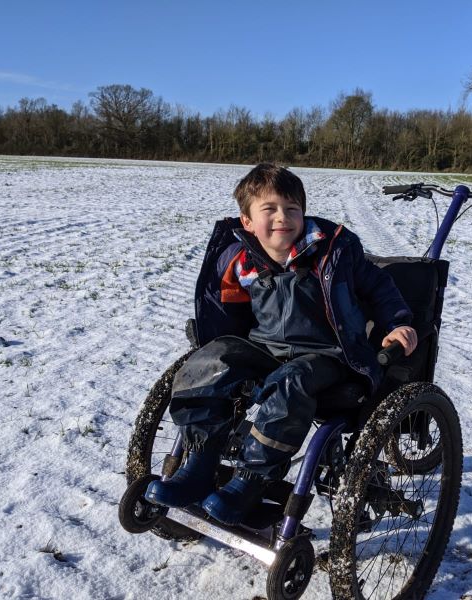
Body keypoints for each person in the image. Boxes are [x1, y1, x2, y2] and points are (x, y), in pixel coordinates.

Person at [145, 163, 417, 526]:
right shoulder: (241, 260)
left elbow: (378, 286)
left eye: (292, 209)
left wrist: (397, 324)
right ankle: (200, 462)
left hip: (331, 356)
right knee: (210, 359)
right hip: (266, 349)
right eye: (269, 210)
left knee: (292, 381)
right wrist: (218, 344)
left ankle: (253, 480)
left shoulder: (333, 251)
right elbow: (226, 311)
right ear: (247, 221)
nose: (282, 218)